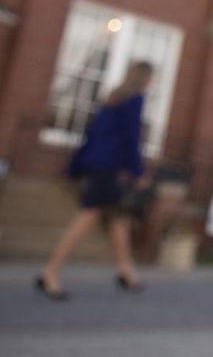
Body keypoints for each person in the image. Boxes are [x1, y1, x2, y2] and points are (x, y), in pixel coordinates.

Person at [36, 61, 153, 299]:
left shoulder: (112, 100)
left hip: (97, 166)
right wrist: (139, 171)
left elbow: (92, 135)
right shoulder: (134, 100)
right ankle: (51, 271)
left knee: (119, 220)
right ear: (145, 79)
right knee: (87, 218)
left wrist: (75, 166)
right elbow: (132, 139)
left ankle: (126, 271)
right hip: (110, 170)